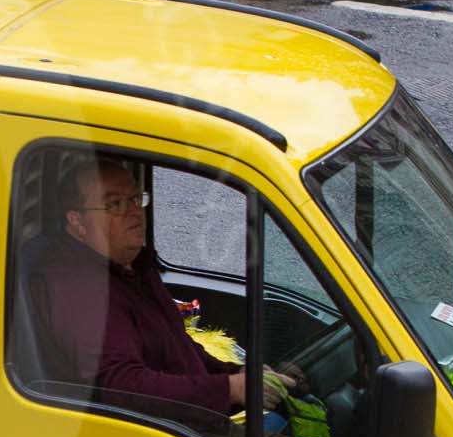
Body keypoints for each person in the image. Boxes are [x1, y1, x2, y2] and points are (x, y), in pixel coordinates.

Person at [30, 157, 284, 423]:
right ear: (77, 221)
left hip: (183, 425)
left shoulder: (131, 265)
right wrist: (229, 389)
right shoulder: (81, 290)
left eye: (135, 199)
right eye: (114, 204)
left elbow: (179, 349)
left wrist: (240, 374)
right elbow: (121, 387)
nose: (134, 212)